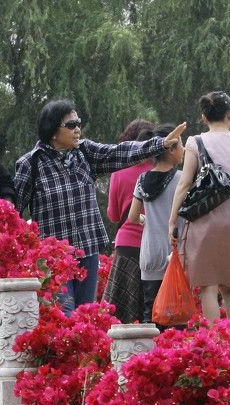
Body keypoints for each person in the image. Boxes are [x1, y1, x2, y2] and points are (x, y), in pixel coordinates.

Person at [14, 101, 184, 309]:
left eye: (78, 123)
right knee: (64, 316)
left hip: (87, 251)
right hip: (54, 258)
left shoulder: (85, 153)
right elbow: (14, 211)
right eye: (71, 125)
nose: (78, 129)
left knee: (84, 316)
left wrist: (160, 144)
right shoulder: (30, 164)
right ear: (52, 131)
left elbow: (120, 152)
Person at [168, 91, 230, 328]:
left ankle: (215, 347)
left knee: (208, 286)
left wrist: (172, 221)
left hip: (204, 217)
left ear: (204, 117)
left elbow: (184, 184)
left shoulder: (195, 142)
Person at [129, 124, 187, 325]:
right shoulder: (182, 180)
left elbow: (132, 217)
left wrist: (147, 220)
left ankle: (149, 355)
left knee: (151, 313)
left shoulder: (142, 179)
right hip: (175, 253)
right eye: (181, 145)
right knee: (177, 317)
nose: (184, 149)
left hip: (150, 253)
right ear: (171, 149)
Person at [104, 119, 161, 321]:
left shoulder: (119, 172)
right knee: (153, 314)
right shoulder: (162, 173)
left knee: (120, 317)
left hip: (127, 247)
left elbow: (113, 215)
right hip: (156, 248)